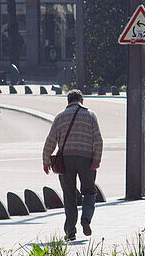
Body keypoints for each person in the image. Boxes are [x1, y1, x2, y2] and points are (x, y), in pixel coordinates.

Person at [43, 89, 103, 240]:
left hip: (65, 160)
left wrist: (46, 161)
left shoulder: (60, 117)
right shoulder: (90, 115)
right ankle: (86, 218)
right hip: (87, 159)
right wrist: (97, 160)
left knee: (69, 195)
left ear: (68, 101)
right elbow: (98, 140)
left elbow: (50, 141)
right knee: (89, 191)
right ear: (81, 100)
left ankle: (70, 231)